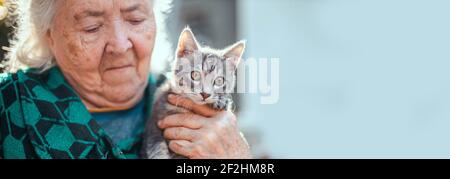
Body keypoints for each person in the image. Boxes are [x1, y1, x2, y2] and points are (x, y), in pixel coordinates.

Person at [0, 0, 251, 159]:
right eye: (91, 27)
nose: (120, 45)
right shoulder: (8, 103)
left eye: (135, 19)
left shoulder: (191, 101)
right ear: (49, 35)